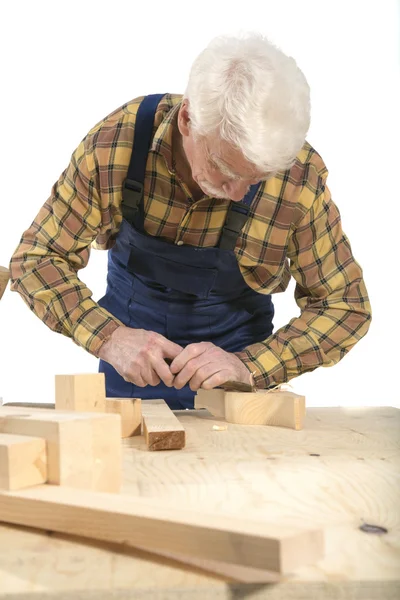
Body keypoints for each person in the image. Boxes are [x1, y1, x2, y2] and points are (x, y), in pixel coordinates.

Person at [9, 33, 371, 410]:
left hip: (234, 385)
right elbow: (36, 258)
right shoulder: (117, 143)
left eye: (256, 179)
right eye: (225, 169)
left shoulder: (298, 179)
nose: (236, 193)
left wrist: (249, 368)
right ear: (187, 119)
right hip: (129, 367)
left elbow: (345, 305)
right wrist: (109, 337)